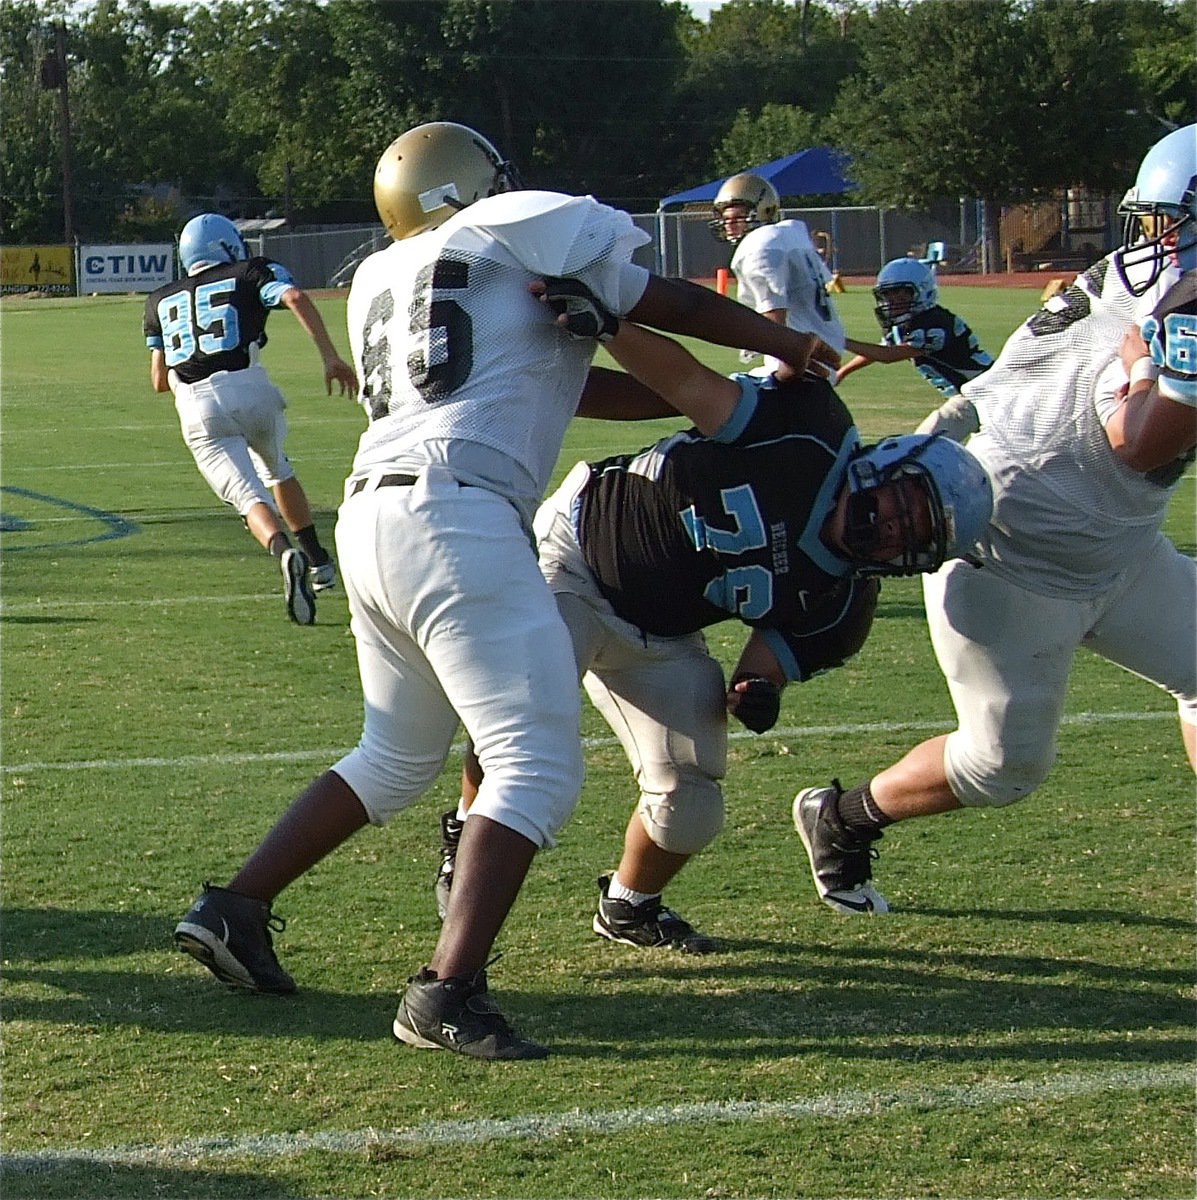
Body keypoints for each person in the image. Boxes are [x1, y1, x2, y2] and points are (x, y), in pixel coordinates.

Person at [172, 121, 841, 1061]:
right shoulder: (523, 224)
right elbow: (667, 298)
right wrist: (783, 343)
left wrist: (704, 393)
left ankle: (233, 907)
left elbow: (564, 383)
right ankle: (447, 994)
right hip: (458, 510)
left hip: (372, 513)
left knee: (396, 756)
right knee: (534, 764)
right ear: (472, 185)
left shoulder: (382, 274)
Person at [435, 296, 993, 953]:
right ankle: (468, 825)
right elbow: (688, 383)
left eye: (915, 538)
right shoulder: (808, 431)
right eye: (906, 506)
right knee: (529, 708)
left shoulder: (841, 605)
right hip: (582, 554)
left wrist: (756, 694)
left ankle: (628, 906)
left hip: (662, 635)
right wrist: (612, 327)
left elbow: (762, 666)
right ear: (887, 465)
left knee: (691, 804)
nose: (896, 529)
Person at [791, 124, 1197, 917]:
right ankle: (840, 818)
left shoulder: (1131, 272)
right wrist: (1149, 367)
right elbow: (1139, 439)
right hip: (1012, 556)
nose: (1154, 242)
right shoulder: (1185, 304)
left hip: (1116, 545)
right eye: (1151, 222)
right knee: (1000, 769)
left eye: (1164, 224)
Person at [143, 214, 357, 624]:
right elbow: (294, 297)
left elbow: (157, 380)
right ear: (226, 245)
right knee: (277, 468)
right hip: (252, 387)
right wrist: (330, 357)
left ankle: (283, 551)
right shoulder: (251, 271)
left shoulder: (159, 299)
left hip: (195, 404)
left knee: (248, 497)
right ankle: (319, 561)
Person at [833, 257, 995, 443]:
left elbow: (888, 355)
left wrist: (838, 340)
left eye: (902, 296)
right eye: (889, 295)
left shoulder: (934, 323)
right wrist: (843, 372)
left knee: (921, 447)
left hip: (984, 394)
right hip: (974, 394)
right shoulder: (908, 322)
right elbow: (883, 348)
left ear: (923, 292)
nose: (894, 302)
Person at [710, 172, 848, 374]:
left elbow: (775, 323)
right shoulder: (789, 235)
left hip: (799, 366)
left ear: (763, 211)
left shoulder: (760, 246)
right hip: (818, 357)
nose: (729, 224)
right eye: (726, 218)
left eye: (738, 217)